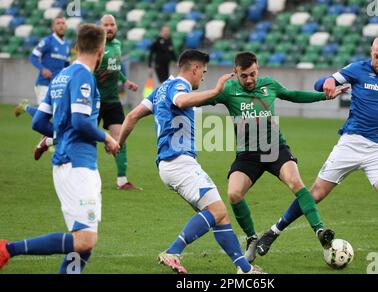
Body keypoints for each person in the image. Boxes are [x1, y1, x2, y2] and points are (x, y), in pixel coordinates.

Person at [257, 36, 378, 274]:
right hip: (350, 143)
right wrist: (328, 80)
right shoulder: (357, 69)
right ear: (371, 52)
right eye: (375, 56)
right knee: (315, 193)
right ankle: (273, 232)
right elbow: (321, 84)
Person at [118, 49, 264, 274]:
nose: (203, 76)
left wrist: (119, 144)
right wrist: (215, 91)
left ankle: (244, 269)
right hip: (179, 162)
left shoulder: (160, 90)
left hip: (169, 165)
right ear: (194, 68)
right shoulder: (179, 87)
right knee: (216, 210)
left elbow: (131, 117)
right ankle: (173, 252)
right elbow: (181, 100)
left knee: (219, 214)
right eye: (203, 72)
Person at [204, 51, 348, 263]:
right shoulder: (227, 90)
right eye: (244, 75)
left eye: (253, 74)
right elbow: (197, 100)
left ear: (258, 68)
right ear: (235, 73)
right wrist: (175, 99)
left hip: (275, 148)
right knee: (234, 194)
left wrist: (324, 95)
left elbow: (293, 95)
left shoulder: (269, 85)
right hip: (247, 154)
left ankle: (319, 230)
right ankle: (252, 237)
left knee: (296, 182)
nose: (250, 79)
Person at [0, 24, 120, 274]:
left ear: (77, 46)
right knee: (85, 240)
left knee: (83, 245)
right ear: (100, 50)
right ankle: (8, 249)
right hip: (78, 164)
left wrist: (58, 137)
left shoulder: (60, 76)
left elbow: (38, 122)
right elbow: (80, 121)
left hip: (68, 163)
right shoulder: (83, 76)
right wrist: (106, 137)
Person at [14, 16, 71, 160]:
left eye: (63, 23)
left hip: (58, 86)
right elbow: (33, 57)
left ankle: (46, 140)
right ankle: (26, 107)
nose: (61, 25)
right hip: (44, 83)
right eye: (58, 23)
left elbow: (66, 65)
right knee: (43, 115)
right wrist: (42, 69)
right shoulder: (47, 41)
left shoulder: (66, 45)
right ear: (53, 27)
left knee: (56, 115)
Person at [94, 14, 140, 190]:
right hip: (93, 101)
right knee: (82, 137)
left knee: (120, 138)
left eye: (112, 24)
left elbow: (115, 66)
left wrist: (125, 81)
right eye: (105, 25)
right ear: (100, 27)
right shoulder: (95, 47)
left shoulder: (118, 45)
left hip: (112, 100)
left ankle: (122, 180)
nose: (109, 28)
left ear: (116, 26)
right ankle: (51, 140)